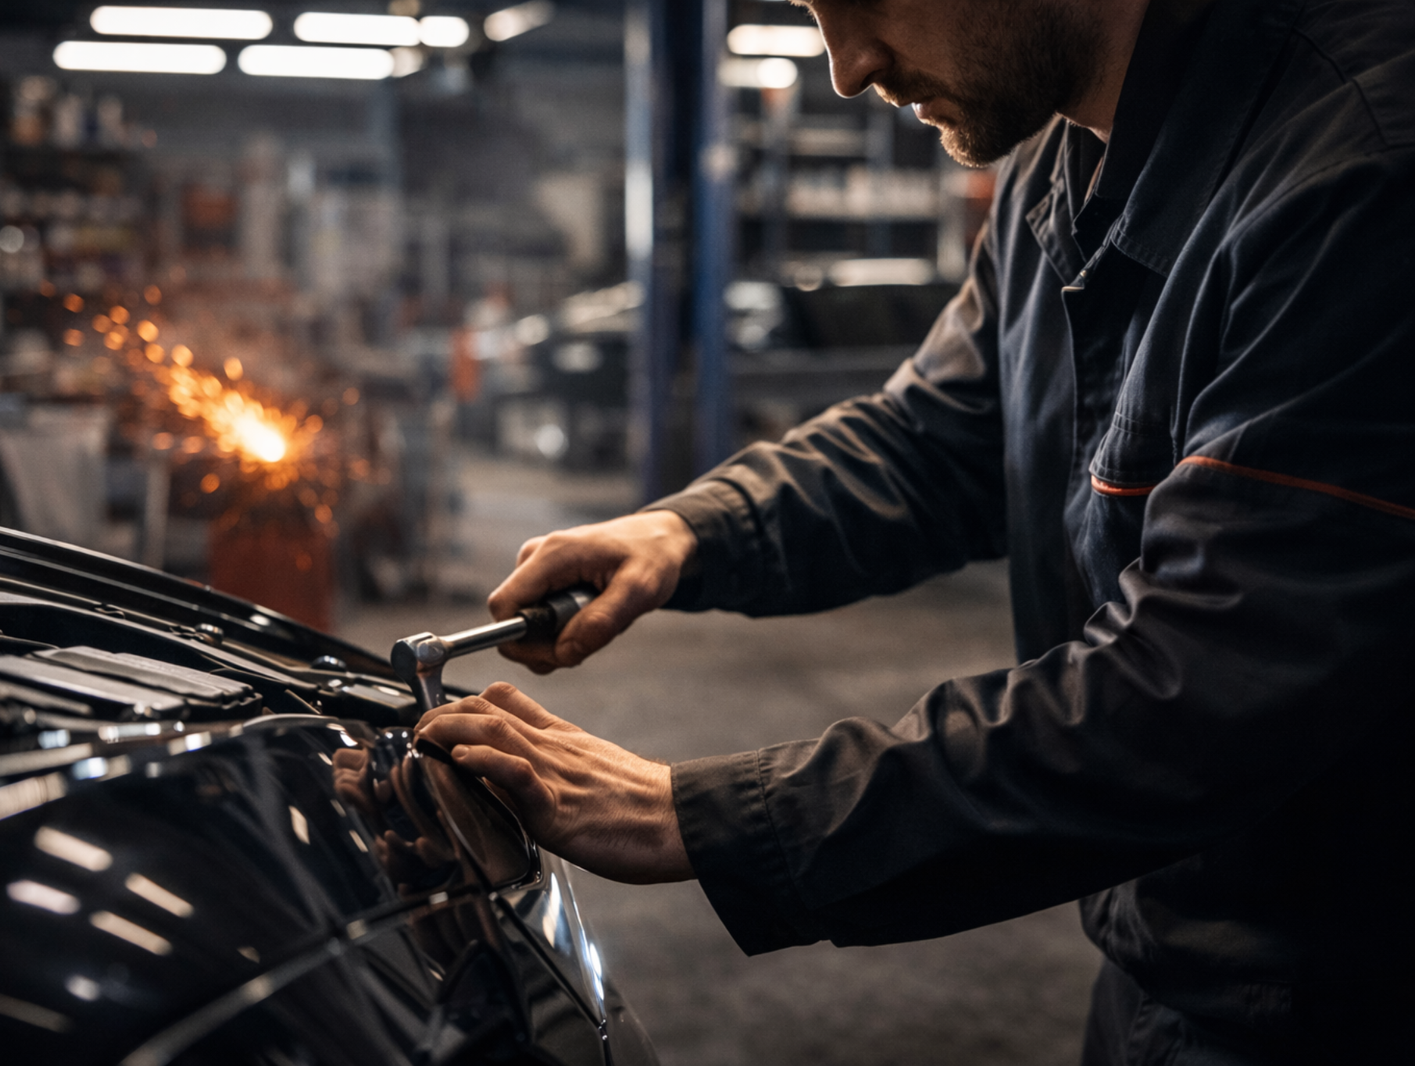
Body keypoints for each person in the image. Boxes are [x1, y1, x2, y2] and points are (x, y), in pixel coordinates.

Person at [420, 0, 1415, 1060]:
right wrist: (685, 533)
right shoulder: (1065, 154)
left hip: (1351, 990)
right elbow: (942, 433)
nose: (844, 68)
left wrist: (693, 815)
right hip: (1175, 958)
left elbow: (1202, 689)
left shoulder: (1361, 170)